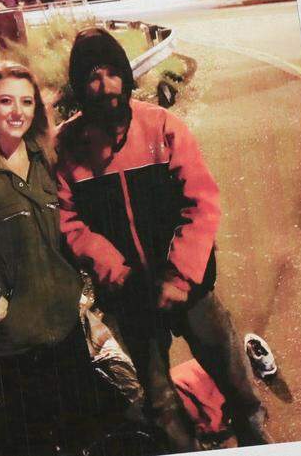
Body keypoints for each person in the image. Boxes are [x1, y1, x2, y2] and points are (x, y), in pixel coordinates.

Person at [54, 27, 270, 451]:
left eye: (113, 72)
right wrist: (115, 272)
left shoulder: (163, 128)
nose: (106, 87)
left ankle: (253, 426)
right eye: (92, 77)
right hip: (126, 293)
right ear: (79, 86)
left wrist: (180, 274)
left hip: (190, 284)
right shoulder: (66, 147)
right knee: (159, 397)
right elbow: (68, 221)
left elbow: (202, 203)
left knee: (227, 365)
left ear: (126, 76)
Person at [0, 63, 109, 456]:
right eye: (6, 101)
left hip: (62, 332)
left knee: (83, 434)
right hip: (8, 348)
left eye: (26, 102)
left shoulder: (46, 160)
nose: (17, 112)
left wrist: (80, 290)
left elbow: (69, 230)